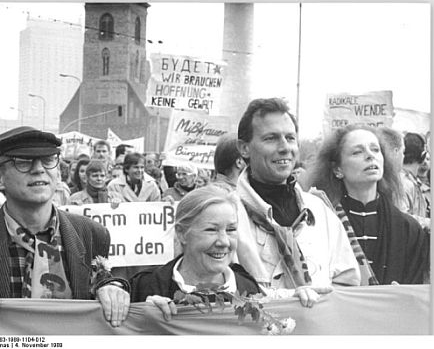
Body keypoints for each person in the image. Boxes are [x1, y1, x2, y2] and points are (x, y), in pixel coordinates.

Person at [0, 126, 130, 326]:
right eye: (23, 162)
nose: (39, 169)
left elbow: (106, 287)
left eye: (48, 160)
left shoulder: (93, 233)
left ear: (58, 174)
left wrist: (112, 289)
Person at [130, 185, 331, 321]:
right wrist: (137, 316)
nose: (224, 242)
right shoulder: (144, 287)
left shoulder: (248, 287)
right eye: (211, 230)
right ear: (182, 233)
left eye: (231, 230)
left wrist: (296, 301)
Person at [234, 98, 360, 292]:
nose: (285, 147)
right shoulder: (226, 214)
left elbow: (347, 282)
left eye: (290, 138)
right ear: (244, 148)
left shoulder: (319, 211)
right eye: (271, 138)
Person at [307, 124, 430, 285]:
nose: (370, 156)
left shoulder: (409, 229)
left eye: (375, 149)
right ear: (337, 169)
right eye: (358, 152)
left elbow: (416, 294)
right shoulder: (319, 224)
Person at [400, 132, 430, 230]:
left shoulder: (412, 181)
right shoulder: (403, 182)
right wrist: (429, 223)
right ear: (423, 155)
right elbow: (401, 218)